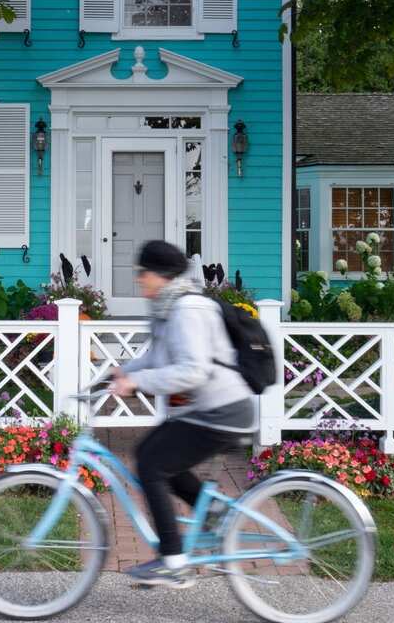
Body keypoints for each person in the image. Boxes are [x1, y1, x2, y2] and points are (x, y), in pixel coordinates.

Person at [109, 240, 256, 588]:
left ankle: (173, 562)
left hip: (222, 411)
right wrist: (119, 373)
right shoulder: (168, 307)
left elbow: (193, 371)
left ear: (160, 275)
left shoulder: (188, 309)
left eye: (142, 273)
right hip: (203, 410)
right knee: (149, 453)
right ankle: (215, 513)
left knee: (152, 464)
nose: (138, 279)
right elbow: (157, 359)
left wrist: (138, 381)